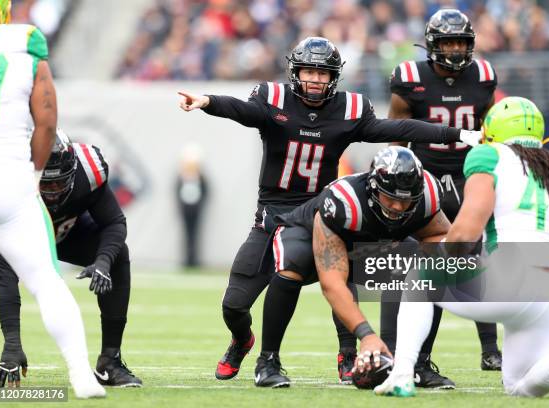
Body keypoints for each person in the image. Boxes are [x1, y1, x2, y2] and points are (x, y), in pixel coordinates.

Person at [178, 36, 482, 382]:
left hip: (324, 210)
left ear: (334, 77)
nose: (315, 80)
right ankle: (241, 340)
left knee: (340, 273)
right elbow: (243, 112)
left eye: (323, 74)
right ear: (295, 72)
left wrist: (455, 133)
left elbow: (397, 127)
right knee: (234, 304)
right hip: (274, 213)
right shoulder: (273, 99)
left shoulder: (349, 110)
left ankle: (342, 355)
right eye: (309, 71)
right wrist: (207, 101)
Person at [375, 97, 549, 399]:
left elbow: (465, 234)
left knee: (420, 273)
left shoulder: (489, 155)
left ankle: (402, 374)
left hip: (508, 278)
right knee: (520, 387)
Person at [253, 146, 449, 387]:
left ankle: (414, 363)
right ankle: (267, 361)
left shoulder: (427, 195)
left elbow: (440, 234)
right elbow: (333, 283)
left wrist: (421, 273)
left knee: (431, 269)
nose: (398, 207)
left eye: (406, 200)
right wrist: (367, 335)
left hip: (367, 241)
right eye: (391, 198)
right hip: (307, 231)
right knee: (293, 265)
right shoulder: (344, 202)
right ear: (374, 187)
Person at [0, 0, 104, 398]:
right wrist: (32, 176)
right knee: (45, 281)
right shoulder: (25, 45)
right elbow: (48, 121)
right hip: (8, 175)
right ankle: (81, 375)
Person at [386, 8, 501, 385]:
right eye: (447, 42)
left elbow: (491, 128)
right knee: (413, 267)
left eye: (460, 42)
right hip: (424, 178)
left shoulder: (484, 76)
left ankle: (490, 350)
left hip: (470, 175)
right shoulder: (409, 78)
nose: (454, 49)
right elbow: (398, 133)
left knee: (474, 259)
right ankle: (398, 355)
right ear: (432, 44)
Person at [0, 130, 142, 388]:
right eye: (45, 184)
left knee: (118, 255)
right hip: (13, 235)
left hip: (65, 232)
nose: (52, 192)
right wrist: (12, 344)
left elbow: (114, 222)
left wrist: (103, 262)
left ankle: (110, 362)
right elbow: (7, 275)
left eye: (58, 183)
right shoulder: (7, 183)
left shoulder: (89, 170)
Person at [176, 144, 208, 268]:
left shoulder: (200, 177)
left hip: (196, 210)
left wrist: (200, 205)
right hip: (185, 210)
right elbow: (177, 192)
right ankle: (187, 260)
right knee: (186, 235)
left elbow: (205, 192)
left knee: (196, 235)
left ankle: (194, 260)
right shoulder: (181, 177)